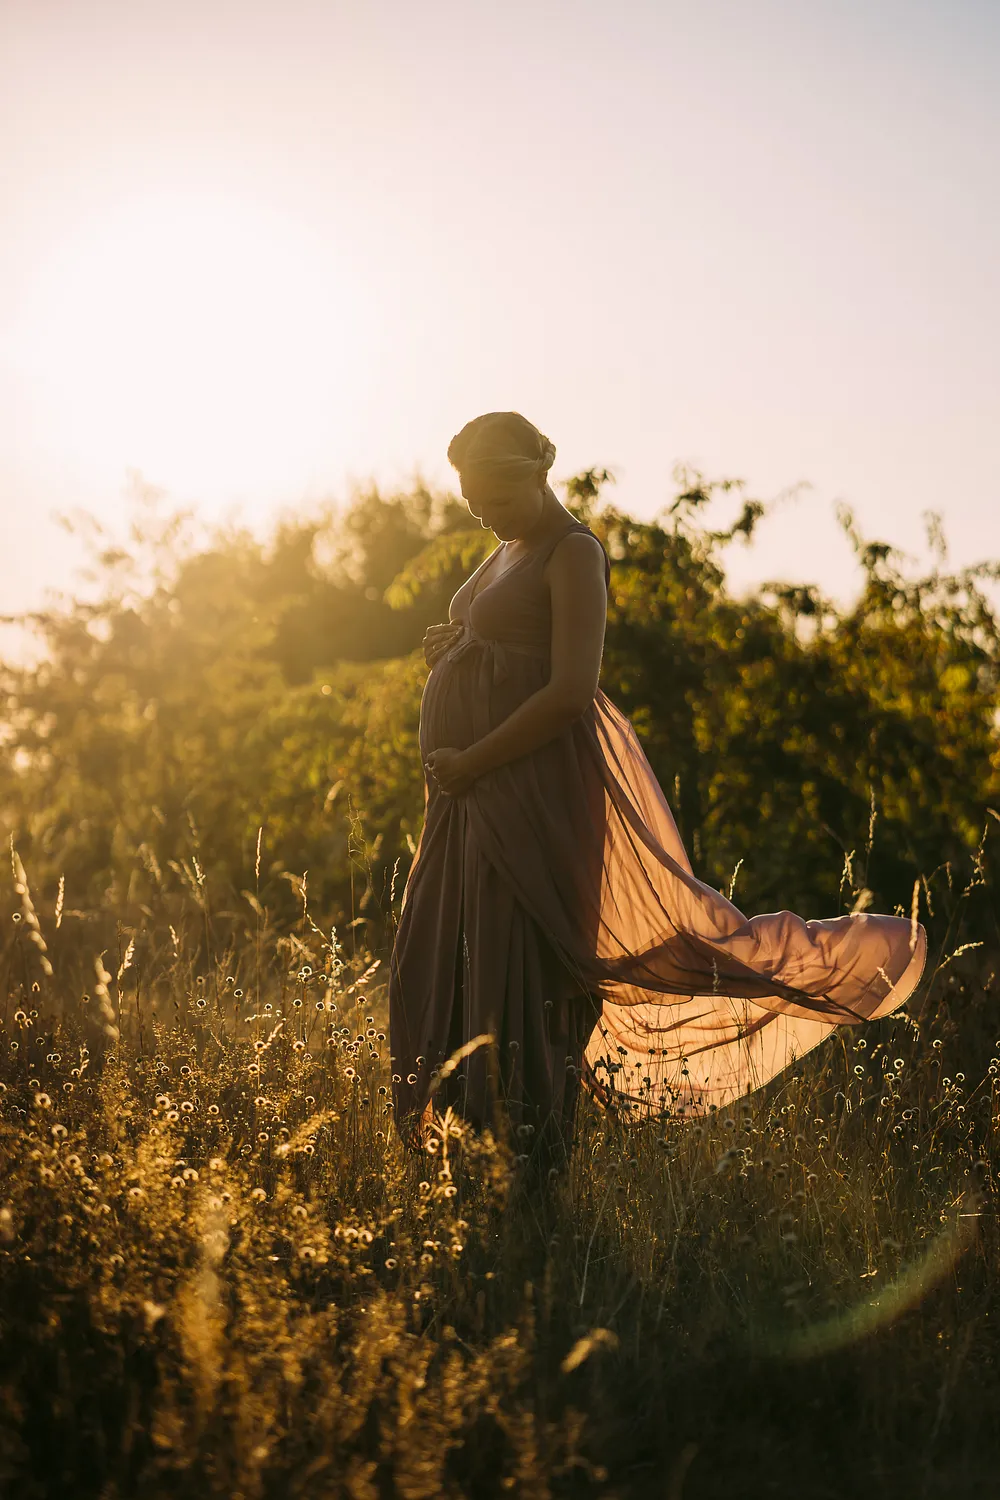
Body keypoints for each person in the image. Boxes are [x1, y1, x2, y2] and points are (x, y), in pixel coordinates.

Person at [387, 411, 927, 1166]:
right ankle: (461, 1160)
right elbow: (507, 644)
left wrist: (476, 759)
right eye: (470, 501)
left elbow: (572, 689)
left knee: (524, 971)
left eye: (493, 499)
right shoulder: (508, 547)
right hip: (470, 799)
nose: (481, 515)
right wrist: (460, 650)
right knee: (451, 958)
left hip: (530, 792)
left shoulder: (573, 552)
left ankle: (525, 1174)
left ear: (533, 477)